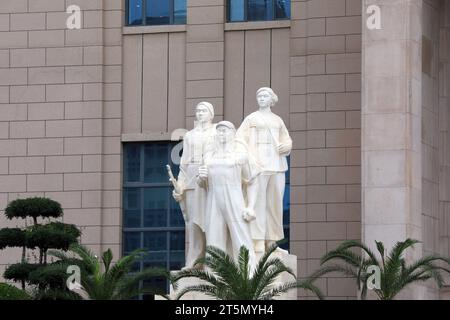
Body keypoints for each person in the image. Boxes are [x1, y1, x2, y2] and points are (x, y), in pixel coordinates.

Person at [236, 87, 292, 257]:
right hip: (258, 166)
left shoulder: (278, 120)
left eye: (265, 95)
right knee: (258, 204)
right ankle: (258, 240)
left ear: (271, 99)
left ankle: (272, 242)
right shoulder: (251, 118)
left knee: (275, 205)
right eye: (259, 95)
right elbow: (239, 139)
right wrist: (248, 158)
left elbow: (287, 139)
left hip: (276, 166)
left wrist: (287, 146)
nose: (261, 98)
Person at [197, 121, 259, 270]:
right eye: (218, 131)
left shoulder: (240, 155)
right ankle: (214, 275)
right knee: (214, 237)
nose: (221, 134)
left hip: (234, 198)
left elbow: (252, 180)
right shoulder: (209, 156)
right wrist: (201, 178)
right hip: (214, 200)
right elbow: (201, 183)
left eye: (224, 131)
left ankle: (249, 272)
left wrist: (251, 206)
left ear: (232, 133)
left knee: (240, 235)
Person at [172, 102, 216, 269]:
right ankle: (194, 262)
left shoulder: (216, 132)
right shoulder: (190, 135)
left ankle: (214, 262)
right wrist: (180, 185)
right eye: (197, 110)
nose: (200, 113)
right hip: (192, 179)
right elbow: (183, 164)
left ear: (211, 114)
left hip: (210, 179)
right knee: (194, 224)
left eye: (204, 110)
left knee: (212, 221)